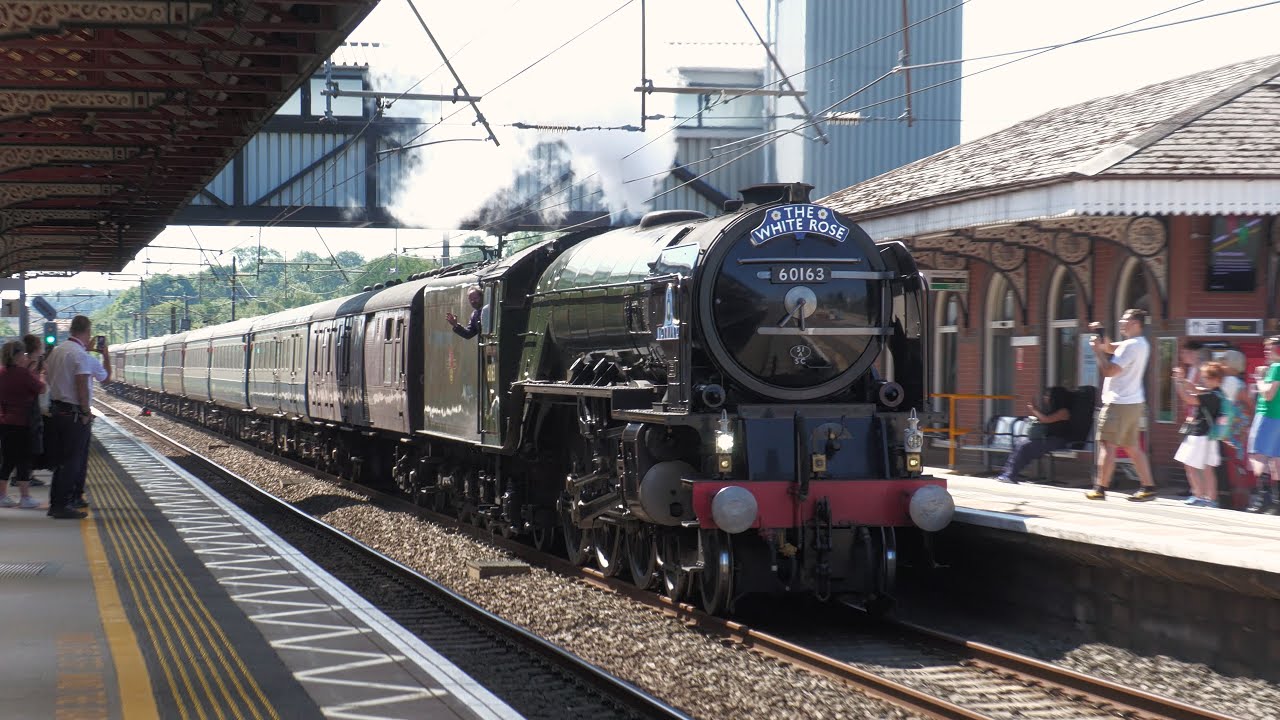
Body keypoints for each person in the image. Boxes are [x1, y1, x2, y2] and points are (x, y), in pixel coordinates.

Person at [1085, 309, 1158, 501]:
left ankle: (1100, 488)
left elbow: (1109, 371)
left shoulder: (1129, 347)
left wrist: (1096, 353)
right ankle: (1148, 487)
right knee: (1132, 447)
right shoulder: (1141, 344)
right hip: (1134, 403)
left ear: (1136, 323)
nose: (1120, 322)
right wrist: (1101, 332)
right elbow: (1109, 347)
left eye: (1125, 320)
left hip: (1118, 403)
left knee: (1107, 445)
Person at [43, 315, 110, 519]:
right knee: (73, 460)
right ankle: (62, 504)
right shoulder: (81, 356)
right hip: (73, 415)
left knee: (60, 460)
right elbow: (88, 381)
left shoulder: (57, 352)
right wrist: (84, 412)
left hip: (55, 412)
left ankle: (56, 502)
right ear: (87, 332)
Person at [0, 340, 47, 509]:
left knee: (7, 460)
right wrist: (39, 373)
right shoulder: (23, 374)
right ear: (19, 355)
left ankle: (2, 495)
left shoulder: (2, 372)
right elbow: (42, 388)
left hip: (5, 422)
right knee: (24, 461)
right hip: (24, 422)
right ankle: (25, 498)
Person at [1173, 361, 1226, 507]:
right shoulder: (1218, 393)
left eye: (1206, 377)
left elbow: (1187, 398)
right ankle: (1211, 499)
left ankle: (1198, 495)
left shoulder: (1209, 396)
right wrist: (1184, 380)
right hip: (1211, 436)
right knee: (1208, 468)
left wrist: (1178, 382)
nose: (1204, 380)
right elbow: (1195, 388)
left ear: (1216, 379)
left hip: (1200, 435)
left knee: (1190, 464)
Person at [996, 387, 1073, 484]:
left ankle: (1011, 475)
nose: (1045, 397)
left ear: (1056, 397)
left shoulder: (1064, 411)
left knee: (1025, 446)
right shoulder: (1052, 409)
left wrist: (1034, 409)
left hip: (1058, 441)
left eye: (1048, 395)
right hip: (1047, 440)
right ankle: (1007, 473)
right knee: (1020, 444)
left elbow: (1046, 419)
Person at [1246, 336, 1280, 513]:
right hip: (1278, 417)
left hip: (1268, 415)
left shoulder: (1276, 367)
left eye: (1269, 349)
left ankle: (1262, 498)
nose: (1266, 352)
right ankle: (1276, 500)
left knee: (1258, 456)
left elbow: (1268, 395)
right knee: (1276, 459)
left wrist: (1259, 378)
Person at [20, 333, 48, 486]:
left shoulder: (27, 362)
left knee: (26, 443)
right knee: (29, 443)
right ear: (36, 347)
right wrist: (42, 375)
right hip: (30, 407)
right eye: (40, 345)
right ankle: (24, 477)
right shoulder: (30, 363)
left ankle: (24, 475)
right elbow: (39, 387)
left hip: (27, 406)